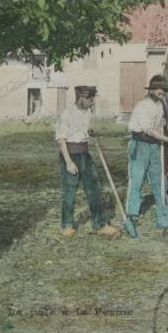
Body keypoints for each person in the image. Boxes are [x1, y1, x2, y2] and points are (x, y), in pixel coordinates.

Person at [55, 86, 119, 238]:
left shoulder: (87, 112)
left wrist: (89, 132)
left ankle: (99, 224)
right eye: (90, 100)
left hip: (85, 154)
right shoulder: (67, 114)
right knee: (70, 192)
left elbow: (81, 130)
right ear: (81, 98)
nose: (92, 103)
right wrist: (69, 162)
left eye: (93, 99)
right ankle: (67, 225)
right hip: (70, 155)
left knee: (94, 189)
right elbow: (61, 140)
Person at [126, 75, 168, 228]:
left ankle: (163, 213)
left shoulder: (160, 105)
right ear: (151, 90)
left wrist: (167, 135)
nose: (162, 95)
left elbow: (160, 124)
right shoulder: (143, 106)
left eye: (164, 92)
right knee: (137, 180)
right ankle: (132, 214)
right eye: (160, 92)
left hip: (155, 145)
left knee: (159, 179)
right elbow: (149, 130)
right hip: (140, 144)